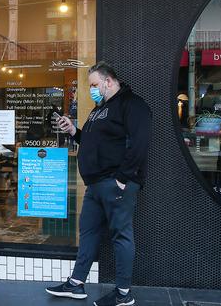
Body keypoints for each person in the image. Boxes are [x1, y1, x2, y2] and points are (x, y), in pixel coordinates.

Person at [46, 62, 152, 306]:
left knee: (121, 236)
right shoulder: (99, 108)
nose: (92, 89)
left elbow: (140, 143)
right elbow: (93, 141)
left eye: (94, 84)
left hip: (116, 183)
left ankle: (124, 293)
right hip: (95, 184)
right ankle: (76, 284)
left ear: (108, 81)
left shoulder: (132, 104)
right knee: (89, 232)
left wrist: (123, 179)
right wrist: (74, 130)